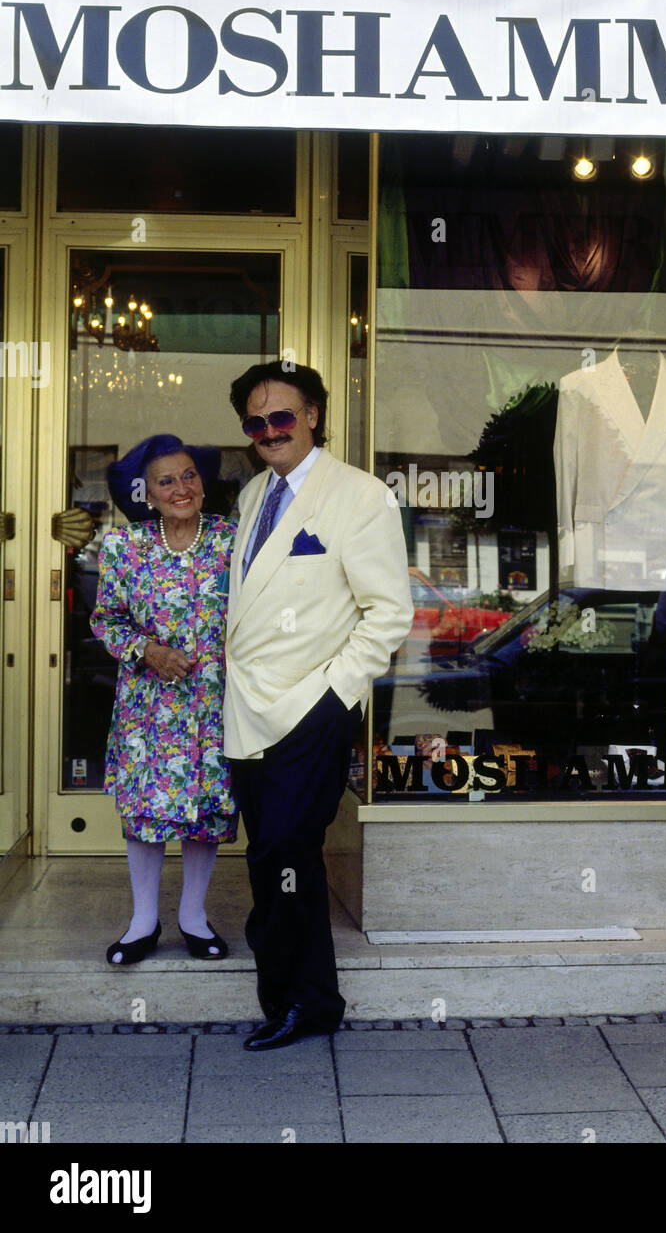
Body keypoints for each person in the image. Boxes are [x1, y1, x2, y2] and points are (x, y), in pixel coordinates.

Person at [224, 361, 413, 1051]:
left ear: (312, 417)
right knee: (265, 855)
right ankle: (285, 993)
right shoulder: (253, 495)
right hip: (246, 712)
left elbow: (388, 614)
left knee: (286, 851)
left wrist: (333, 698)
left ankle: (309, 1002)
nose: (268, 430)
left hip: (310, 710)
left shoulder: (359, 496)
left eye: (281, 417)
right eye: (255, 421)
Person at [91, 434, 238, 965]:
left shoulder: (231, 540)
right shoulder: (123, 547)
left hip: (213, 704)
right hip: (148, 706)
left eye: (189, 476)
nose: (182, 488)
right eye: (167, 481)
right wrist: (147, 650)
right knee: (145, 812)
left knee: (206, 809)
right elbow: (106, 620)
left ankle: (194, 918)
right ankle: (143, 921)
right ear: (148, 493)